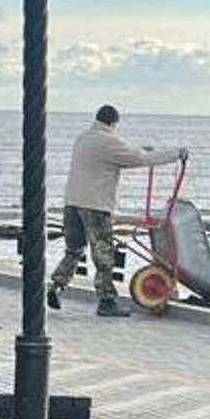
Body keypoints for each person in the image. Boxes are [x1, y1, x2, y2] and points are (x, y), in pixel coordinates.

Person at [49, 104, 187, 317]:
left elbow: (126, 151)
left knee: (74, 249)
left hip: (72, 202)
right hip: (95, 205)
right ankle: (106, 300)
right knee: (103, 252)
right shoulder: (109, 141)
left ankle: (56, 286)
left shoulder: (83, 138)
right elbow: (139, 159)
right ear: (114, 123)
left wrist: (141, 149)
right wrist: (175, 154)